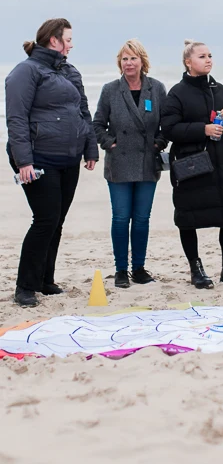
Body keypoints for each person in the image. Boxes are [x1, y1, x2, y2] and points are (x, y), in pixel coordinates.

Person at [5, 18, 98, 308]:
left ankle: (45, 280)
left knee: (56, 221)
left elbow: (83, 111)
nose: (71, 45)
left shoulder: (69, 71)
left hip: (68, 158)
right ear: (54, 40)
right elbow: (16, 118)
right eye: (68, 39)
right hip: (38, 159)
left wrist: (90, 148)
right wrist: (23, 161)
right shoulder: (26, 71)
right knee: (45, 220)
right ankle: (25, 287)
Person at [161, 40, 223, 289]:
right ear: (188, 62)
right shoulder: (177, 93)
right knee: (188, 217)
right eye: (202, 56)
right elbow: (169, 128)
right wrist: (203, 129)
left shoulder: (219, 89)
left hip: (222, 162)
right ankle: (196, 269)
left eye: (210, 55)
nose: (208, 59)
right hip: (191, 165)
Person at [93, 40, 168, 288]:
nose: (129, 63)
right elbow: (97, 124)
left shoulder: (156, 88)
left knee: (142, 218)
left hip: (147, 161)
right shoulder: (110, 90)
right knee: (120, 218)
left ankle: (139, 268)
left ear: (142, 61)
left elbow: (166, 123)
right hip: (119, 162)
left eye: (133, 58)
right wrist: (110, 143)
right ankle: (121, 270)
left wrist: (158, 143)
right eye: (124, 59)